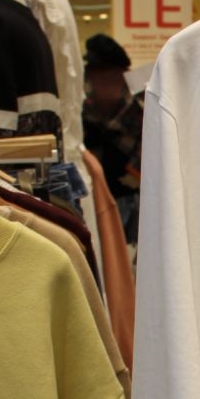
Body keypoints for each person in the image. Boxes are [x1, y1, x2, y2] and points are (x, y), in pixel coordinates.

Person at [81, 33, 143, 244]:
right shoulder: (83, 103)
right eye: (96, 73)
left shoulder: (139, 103)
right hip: (95, 191)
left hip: (129, 192)